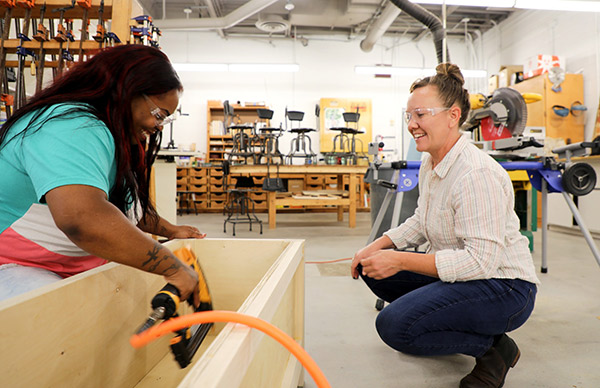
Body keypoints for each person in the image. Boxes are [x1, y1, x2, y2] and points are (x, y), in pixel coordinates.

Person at [351, 63, 539, 388]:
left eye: (420, 115)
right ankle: (453, 321)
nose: (412, 125)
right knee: (372, 268)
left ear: (453, 116)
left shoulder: (475, 174)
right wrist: (378, 246)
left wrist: (399, 259)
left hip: (503, 287)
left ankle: (495, 350)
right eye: (409, 116)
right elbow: (421, 221)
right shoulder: (431, 161)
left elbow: (480, 262)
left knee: (395, 327)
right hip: (462, 276)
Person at [0, 45, 205, 304]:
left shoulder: (110, 137)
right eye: (158, 115)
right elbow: (83, 217)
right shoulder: (69, 125)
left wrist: (172, 231)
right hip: (12, 265)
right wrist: (172, 267)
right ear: (127, 90)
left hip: (61, 266)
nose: (157, 127)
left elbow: (124, 212)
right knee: (55, 320)